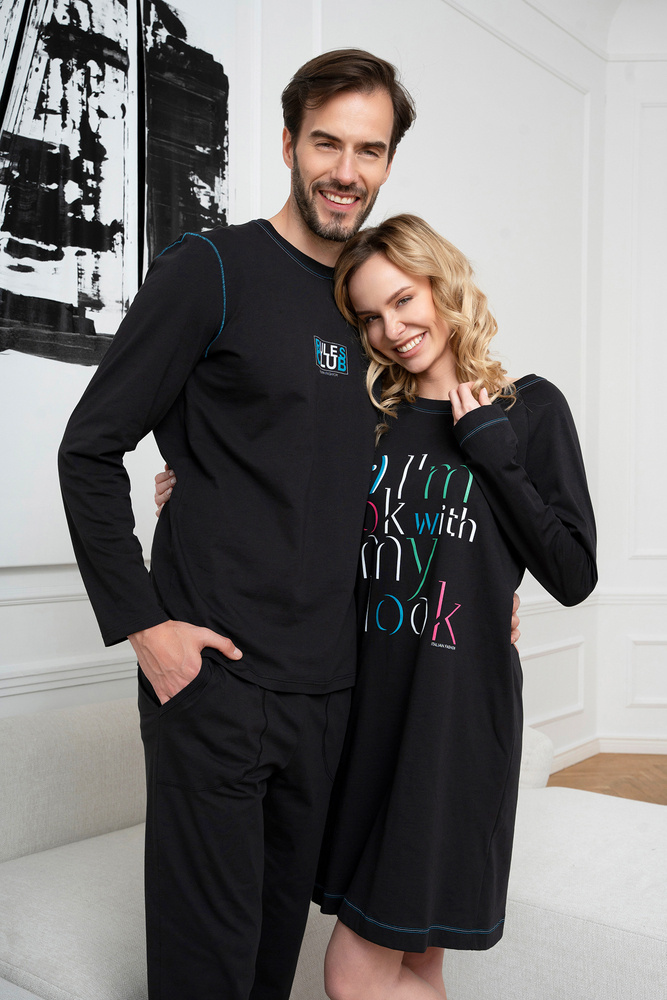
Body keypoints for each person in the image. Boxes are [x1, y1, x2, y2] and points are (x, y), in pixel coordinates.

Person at [58, 49, 417, 1000]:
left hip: (330, 688)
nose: (346, 170)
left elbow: (384, 473)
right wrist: (146, 627)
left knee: (268, 967)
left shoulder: (373, 309)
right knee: (206, 971)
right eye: (327, 143)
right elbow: (88, 449)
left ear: (388, 163)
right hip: (215, 679)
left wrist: (490, 580)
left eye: (369, 150)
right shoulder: (211, 269)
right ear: (289, 143)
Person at [309, 214, 596, 1000]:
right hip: (368, 716)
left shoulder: (528, 409)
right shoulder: (369, 420)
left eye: (402, 300)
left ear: (442, 285)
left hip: (455, 723)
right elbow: (309, 533)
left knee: (351, 976)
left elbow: (572, 573)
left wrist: (491, 449)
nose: (390, 329)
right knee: (411, 963)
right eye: (369, 316)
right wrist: (196, 489)